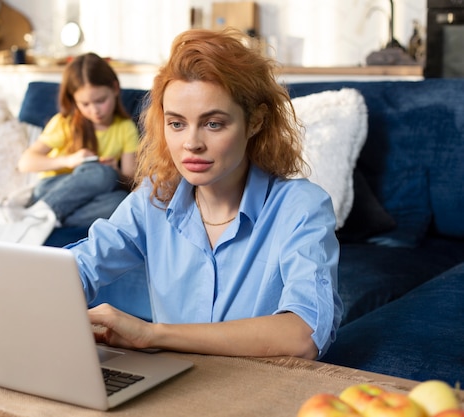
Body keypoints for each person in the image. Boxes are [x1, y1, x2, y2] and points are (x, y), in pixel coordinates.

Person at [67, 29, 343, 359]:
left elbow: (303, 335)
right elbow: (82, 266)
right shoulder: (154, 198)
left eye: (213, 124)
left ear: (255, 121)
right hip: (174, 389)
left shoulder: (301, 207)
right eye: (177, 124)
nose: (191, 143)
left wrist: (154, 334)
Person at [17, 52, 139, 228]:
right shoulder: (65, 123)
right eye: (85, 104)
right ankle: (44, 211)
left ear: (115, 88)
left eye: (100, 100)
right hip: (51, 190)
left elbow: (131, 181)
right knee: (100, 173)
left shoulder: (125, 128)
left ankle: (43, 219)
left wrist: (115, 171)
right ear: (74, 100)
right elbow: (25, 163)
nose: (95, 110)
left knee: (120, 201)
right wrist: (70, 160)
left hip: (91, 198)